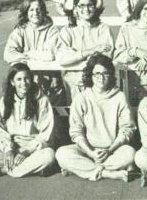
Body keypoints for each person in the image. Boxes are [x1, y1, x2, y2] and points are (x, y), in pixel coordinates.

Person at [55, 54, 136, 182]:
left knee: (130, 153)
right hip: (87, 151)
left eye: (105, 73)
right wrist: (90, 152)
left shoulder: (119, 96)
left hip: (112, 150)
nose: (101, 77)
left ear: (111, 75)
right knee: (61, 153)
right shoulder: (81, 98)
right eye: (97, 73)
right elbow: (76, 132)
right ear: (91, 76)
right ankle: (107, 173)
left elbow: (127, 129)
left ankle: (87, 170)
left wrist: (109, 150)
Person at [0, 63, 55, 178]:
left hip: (33, 148)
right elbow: (0, 130)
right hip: (12, 146)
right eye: (19, 79)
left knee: (49, 156)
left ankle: (3, 170)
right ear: (12, 82)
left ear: (31, 80)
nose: (23, 83)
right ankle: (31, 168)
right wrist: (8, 150)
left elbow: (46, 134)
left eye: (26, 78)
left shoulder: (41, 100)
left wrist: (26, 151)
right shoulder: (5, 101)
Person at [56, 0, 114, 104]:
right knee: (76, 117)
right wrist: (90, 52)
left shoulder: (103, 29)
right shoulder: (67, 31)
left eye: (90, 5)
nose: (86, 9)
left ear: (95, 7)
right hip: (74, 83)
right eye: (81, 6)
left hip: (98, 82)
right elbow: (62, 58)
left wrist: (75, 57)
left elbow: (106, 57)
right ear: (75, 8)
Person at [3, 0, 63, 104]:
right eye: (31, 9)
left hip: (49, 80)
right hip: (26, 82)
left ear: (43, 11)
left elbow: (49, 55)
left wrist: (26, 54)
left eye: (38, 9)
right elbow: (8, 54)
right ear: (26, 12)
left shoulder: (52, 30)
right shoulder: (20, 30)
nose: (35, 13)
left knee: (52, 113)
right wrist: (31, 57)